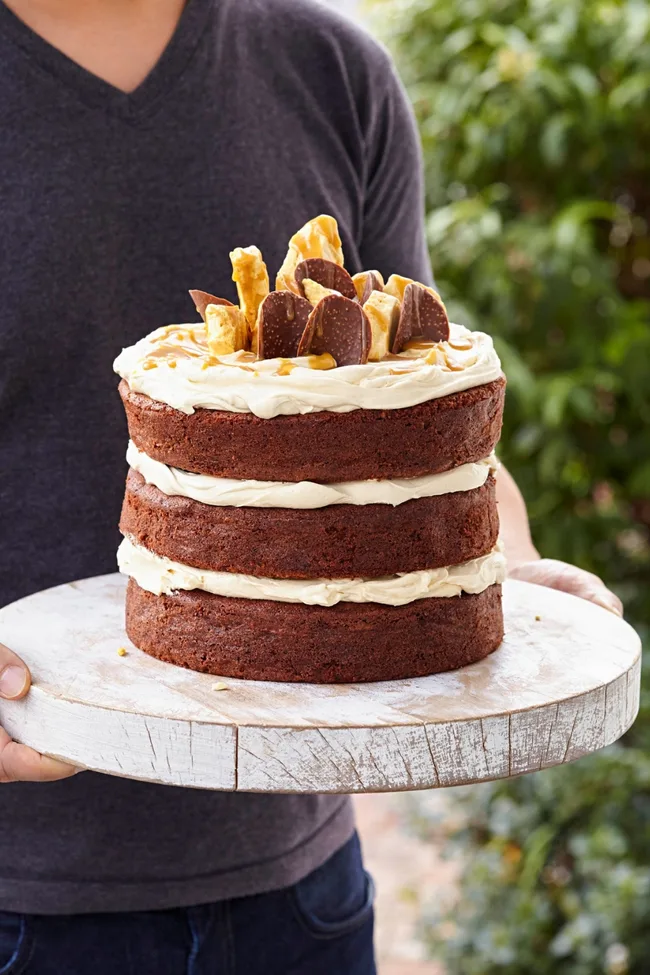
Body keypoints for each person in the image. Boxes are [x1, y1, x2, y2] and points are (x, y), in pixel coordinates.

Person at [0, 0, 623, 971]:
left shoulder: (331, 69)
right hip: (18, 901)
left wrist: (501, 562)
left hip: (299, 899)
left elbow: (413, 426)